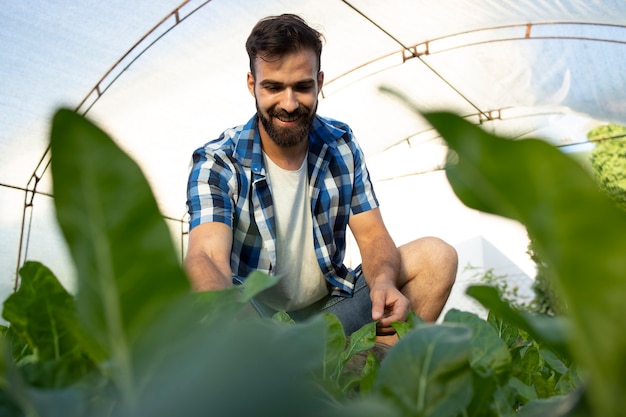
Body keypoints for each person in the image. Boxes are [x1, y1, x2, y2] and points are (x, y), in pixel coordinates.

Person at [185, 13, 457, 345]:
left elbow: (372, 236)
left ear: (320, 82)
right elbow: (207, 257)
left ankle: (367, 379)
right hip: (257, 323)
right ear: (251, 84)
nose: (289, 103)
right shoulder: (218, 161)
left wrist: (384, 283)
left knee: (437, 257)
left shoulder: (340, 144)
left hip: (330, 313)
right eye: (273, 87)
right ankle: (273, 374)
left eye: (302, 87)